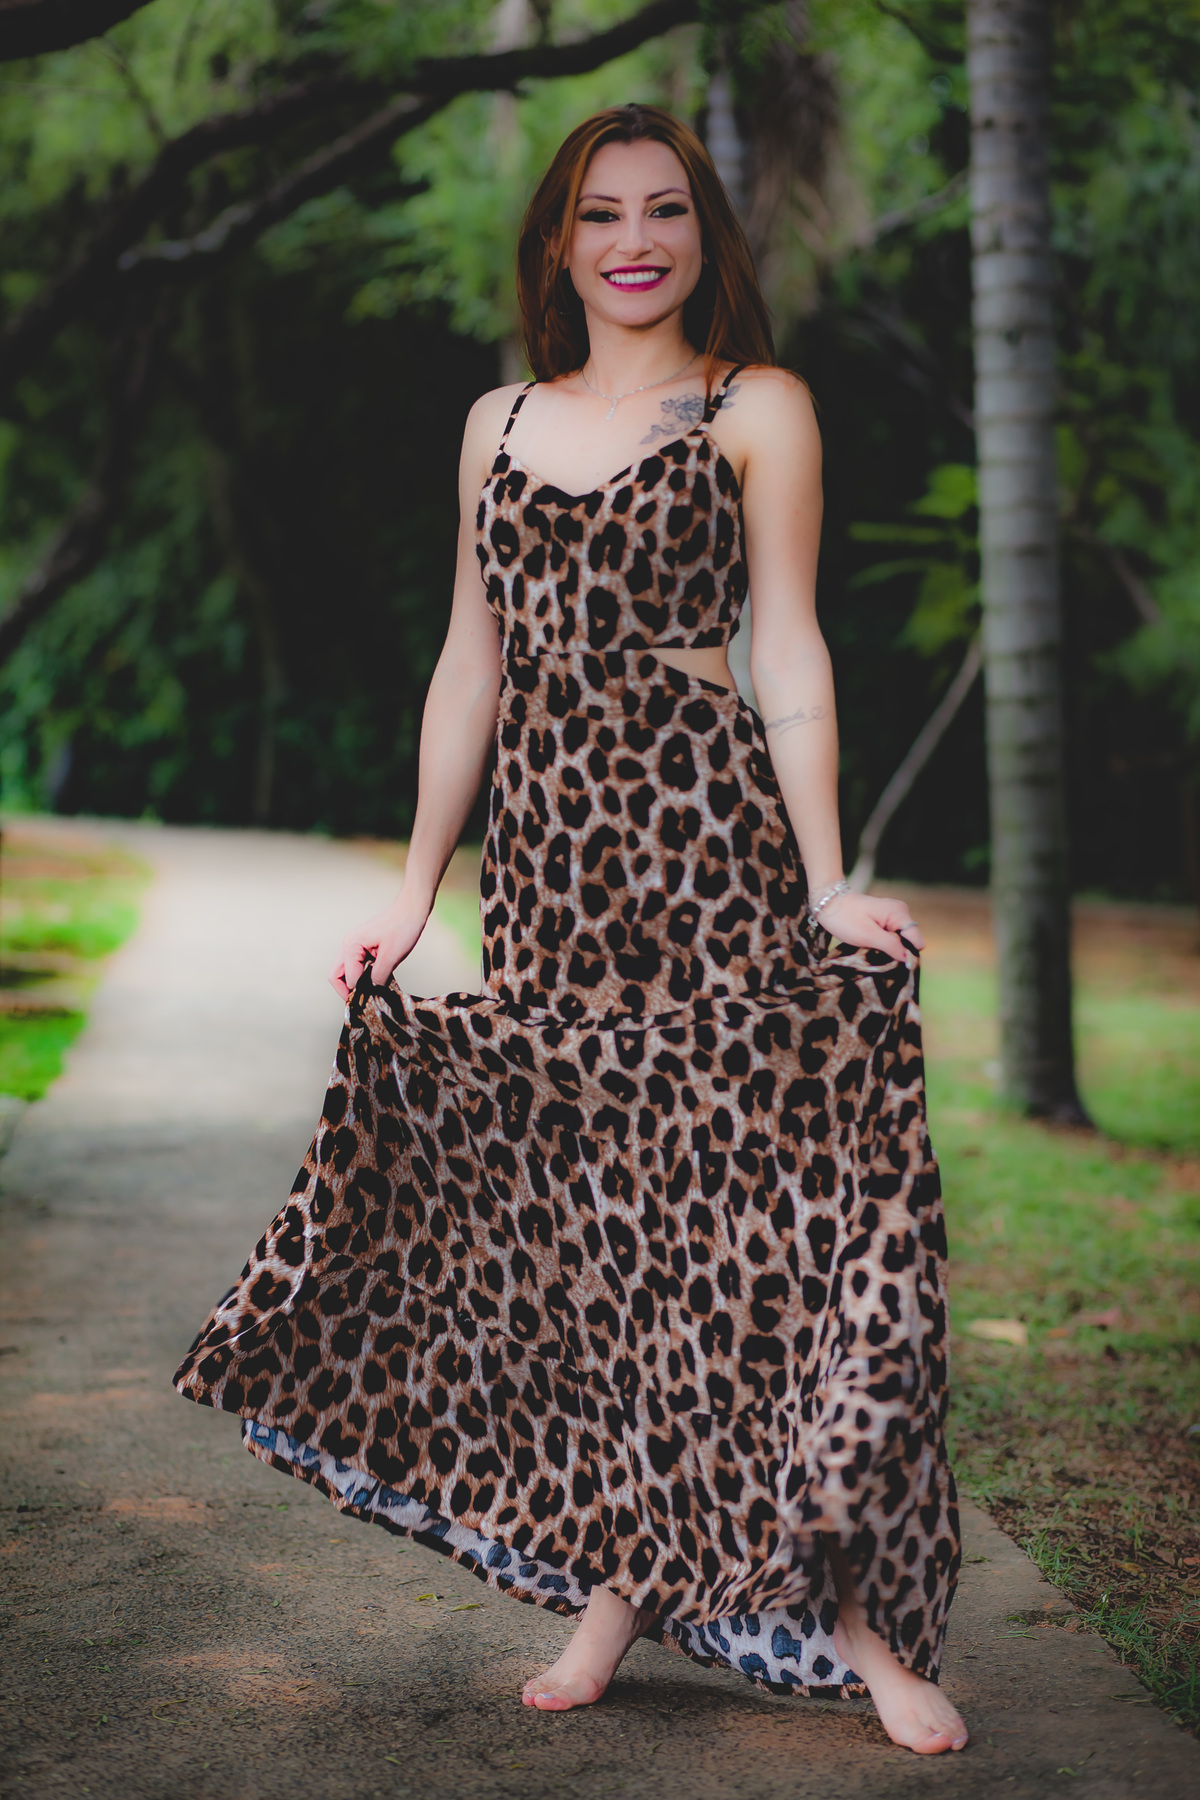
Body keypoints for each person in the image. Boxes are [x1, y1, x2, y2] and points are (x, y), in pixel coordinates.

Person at [174, 103, 968, 1757]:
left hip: (711, 852)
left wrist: (830, 883)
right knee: (595, 1247)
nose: (634, 240)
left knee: (753, 1230)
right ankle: (618, 1585)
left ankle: (851, 1617)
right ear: (558, 240)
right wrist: (416, 888)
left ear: (703, 235)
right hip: (547, 875)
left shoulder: (757, 407)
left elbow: (788, 649)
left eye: (665, 210)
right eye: (601, 213)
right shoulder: (499, 422)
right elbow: (468, 666)